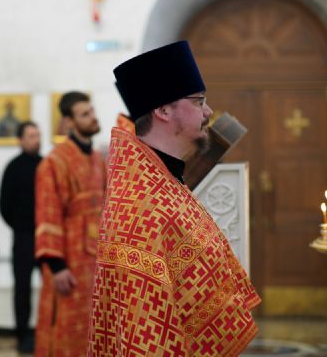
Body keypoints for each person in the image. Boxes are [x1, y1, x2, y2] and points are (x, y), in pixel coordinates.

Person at [88, 41, 260, 356]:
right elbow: (144, 331)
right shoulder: (141, 203)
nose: (208, 111)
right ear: (164, 110)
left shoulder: (162, 179)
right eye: (198, 101)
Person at [34, 91, 106, 357]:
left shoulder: (98, 160)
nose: (92, 117)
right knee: (65, 325)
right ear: (68, 122)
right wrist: (57, 265)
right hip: (70, 261)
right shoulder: (54, 161)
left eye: (92, 111)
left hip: (97, 260)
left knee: (95, 326)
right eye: (84, 114)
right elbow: (48, 213)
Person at [0, 121, 42, 353]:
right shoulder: (13, 168)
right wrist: (20, 226)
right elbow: (4, 205)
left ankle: (47, 332)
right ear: (21, 140)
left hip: (45, 236)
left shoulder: (46, 165)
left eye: (38, 135)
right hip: (24, 237)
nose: (37, 140)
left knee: (51, 286)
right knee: (22, 289)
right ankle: (23, 335)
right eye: (32, 136)